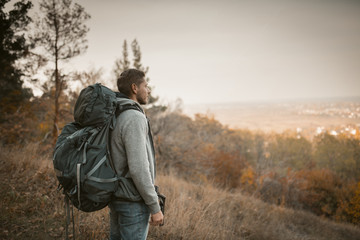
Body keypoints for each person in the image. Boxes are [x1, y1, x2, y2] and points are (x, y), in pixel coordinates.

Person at [109, 69, 164, 240]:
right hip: (132, 202)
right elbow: (139, 168)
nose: (148, 90)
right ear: (134, 88)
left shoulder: (116, 113)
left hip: (117, 197)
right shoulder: (134, 117)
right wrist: (155, 207)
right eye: (145, 86)